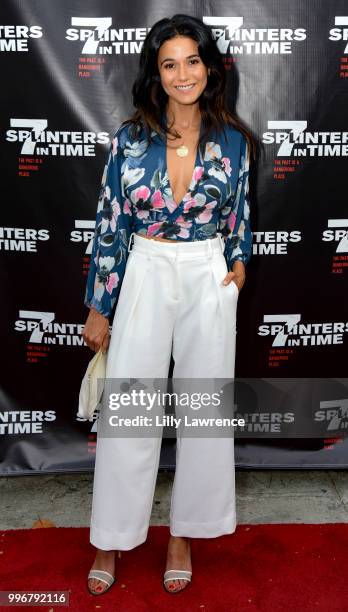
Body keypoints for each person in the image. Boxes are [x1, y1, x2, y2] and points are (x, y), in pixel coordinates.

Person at [82, 13, 255, 596]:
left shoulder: (236, 141)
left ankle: (185, 532)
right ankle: (111, 534)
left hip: (208, 274)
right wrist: (100, 304)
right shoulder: (129, 140)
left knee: (204, 412)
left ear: (210, 67)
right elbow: (110, 225)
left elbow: (240, 216)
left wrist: (238, 263)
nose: (183, 75)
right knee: (130, 410)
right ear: (156, 74)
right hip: (146, 269)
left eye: (192, 61)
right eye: (169, 63)